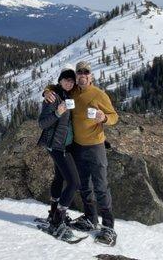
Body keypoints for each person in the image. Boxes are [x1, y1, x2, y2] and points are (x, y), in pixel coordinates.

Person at [44, 60, 118, 246]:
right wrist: (46, 91)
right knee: (84, 185)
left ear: (91, 76)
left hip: (95, 146)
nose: (82, 75)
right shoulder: (73, 91)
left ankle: (108, 227)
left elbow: (114, 116)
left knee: (100, 186)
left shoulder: (99, 94)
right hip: (77, 146)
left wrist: (105, 118)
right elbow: (55, 86)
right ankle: (90, 218)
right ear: (76, 75)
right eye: (79, 73)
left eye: (86, 72)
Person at [37, 65, 81, 241]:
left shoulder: (68, 95)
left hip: (65, 145)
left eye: (71, 80)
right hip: (57, 146)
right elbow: (42, 123)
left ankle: (53, 213)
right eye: (66, 79)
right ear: (60, 80)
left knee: (59, 178)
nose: (69, 83)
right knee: (74, 182)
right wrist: (57, 112)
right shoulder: (52, 97)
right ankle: (58, 220)